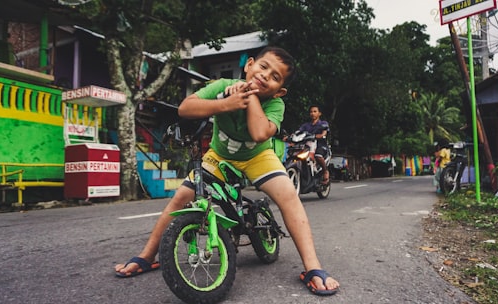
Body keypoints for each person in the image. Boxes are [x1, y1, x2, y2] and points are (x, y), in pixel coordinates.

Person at [115, 47, 339, 296]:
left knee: (288, 195)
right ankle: (147, 256)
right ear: (249, 65)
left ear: (280, 90)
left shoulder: (276, 104)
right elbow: (185, 109)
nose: (265, 75)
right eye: (263, 67)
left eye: (275, 77)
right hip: (218, 156)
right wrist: (225, 103)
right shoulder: (223, 85)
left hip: (258, 157)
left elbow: (258, 134)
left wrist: (249, 96)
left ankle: (312, 267)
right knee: (180, 198)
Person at [298, 105, 330, 184]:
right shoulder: (306, 125)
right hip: (308, 146)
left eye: (315, 111)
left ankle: (325, 171)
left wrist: (319, 136)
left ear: (319, 113)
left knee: (318, 155)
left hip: (320, 146)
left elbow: (324, 133)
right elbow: (298, 132)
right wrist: (290, 136)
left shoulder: (323, 123)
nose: (312, 113)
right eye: (311, 112)